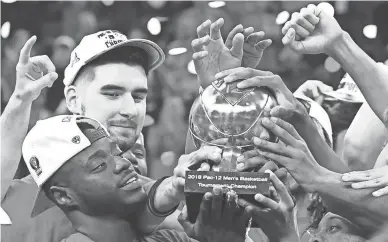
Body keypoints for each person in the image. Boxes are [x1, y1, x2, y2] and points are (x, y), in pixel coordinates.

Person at [22, 115, 251, 242]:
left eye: (117, 153)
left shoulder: (168, 238)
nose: (123, 163)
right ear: (63, 196)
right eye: (100, 165)